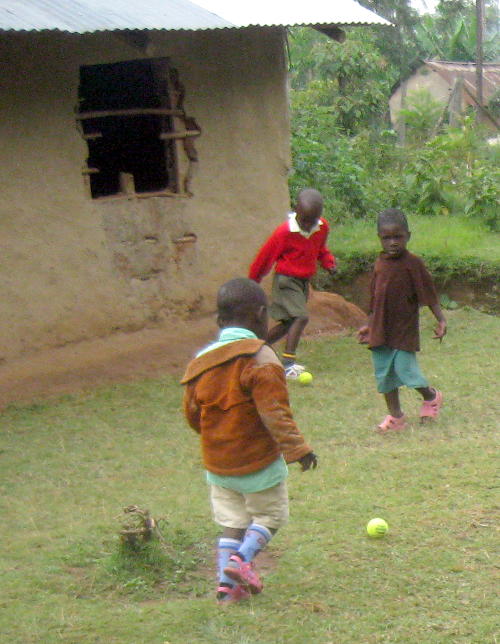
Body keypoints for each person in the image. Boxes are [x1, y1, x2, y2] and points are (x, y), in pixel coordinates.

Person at [181, 278, 317, 605]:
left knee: (232, 522)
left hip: (218, 464)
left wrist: (217, 438)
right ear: (260, 315)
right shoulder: (260, 358)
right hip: (257, 461)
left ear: (219, 320)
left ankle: (226, 591)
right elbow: (275, 413)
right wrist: (298, 450)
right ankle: (240, 563)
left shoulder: (201, 362)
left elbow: (191, 414)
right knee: (270, 517)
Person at [357, 208, 447, 432]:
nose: (393, 242)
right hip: (380, 329)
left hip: (403, 329)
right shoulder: (379, 263)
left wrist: (441, 320)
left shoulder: (413, 263)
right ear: (380, 238)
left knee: (407, 371)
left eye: (398, 236)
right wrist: (369, 324)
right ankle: (396, 417)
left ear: (408, 235)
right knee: (385, 376)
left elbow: (429, 293)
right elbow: (374, 298)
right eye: (387, 238)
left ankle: (431, 396)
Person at [248, 188, 337, 379]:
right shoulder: (284, 232)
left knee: (289, 323)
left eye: (311, 221)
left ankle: (255, 349)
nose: (306, 225)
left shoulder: (322, 227)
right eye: (303, 220)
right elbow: (265, 258)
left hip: (303, 282)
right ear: (296, 211)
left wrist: (328, 262)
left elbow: (321, 249)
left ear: (319, 217)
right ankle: (288, 364)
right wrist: (253, 282)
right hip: (286, 281)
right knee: (300, 317)